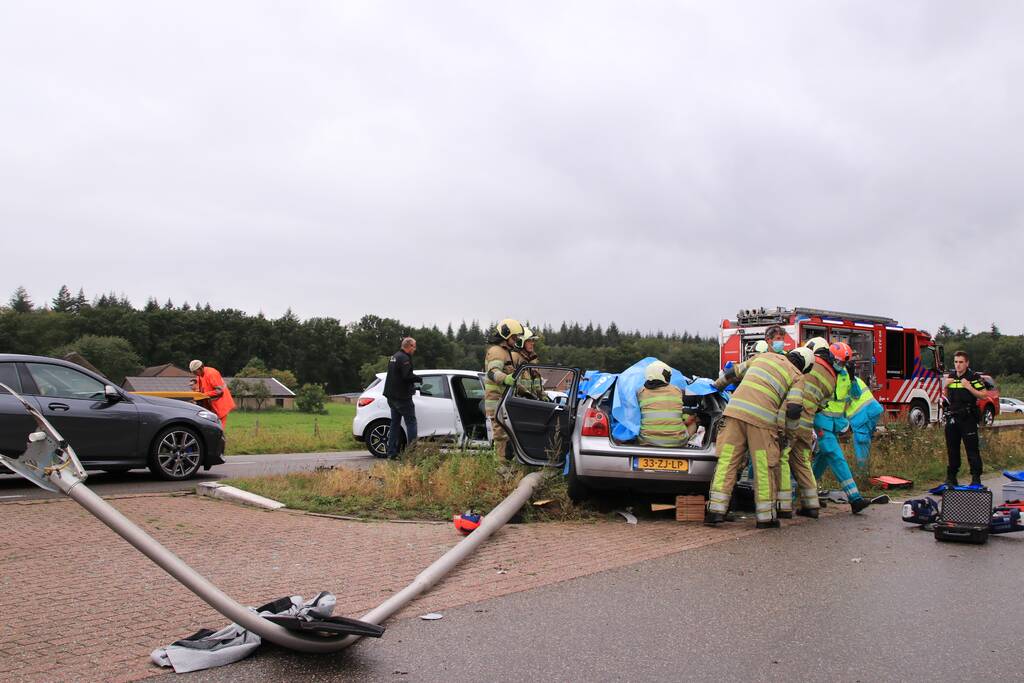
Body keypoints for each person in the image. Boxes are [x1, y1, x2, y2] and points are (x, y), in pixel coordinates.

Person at [706, 347, 813, 529]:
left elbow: (732, 373)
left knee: (727, 462)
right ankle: (765, 518)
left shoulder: (764, 357)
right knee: (763, 466)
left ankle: (715, 511)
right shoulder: (797, 376)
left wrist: (716, 386)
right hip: (761, 421)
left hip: (734, 414)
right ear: (805, 366)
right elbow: (794, 410)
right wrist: (789, 435)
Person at [811, 342, 877, 514]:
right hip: (821, 422)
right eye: (838, 362)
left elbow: (854, 395)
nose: (840, 365)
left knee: (823, 460)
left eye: (844, 363)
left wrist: (853, 378)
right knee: (836, 456)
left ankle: (802, 493)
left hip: (835, 424)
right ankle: (854, 498)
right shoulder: (823, 373)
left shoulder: (845, 374)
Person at [777, 337, 835, 519]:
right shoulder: (832, 377)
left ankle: (784, 506)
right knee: (803, 462)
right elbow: (822, 405)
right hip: (807, 424)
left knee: (783, 458)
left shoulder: (806, 363)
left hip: (791, 419)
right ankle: (811, 505)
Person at [941, 350, 988, 487]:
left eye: (961, 362)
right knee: (952, 449)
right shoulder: (951, 376)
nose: (958, 365)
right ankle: (951, 477)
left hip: (968, 417)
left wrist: (969, 387)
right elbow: (944, 394)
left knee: (972, 449)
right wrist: (945, 385)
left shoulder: (973, 377)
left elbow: (984, 395)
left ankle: (975, 477)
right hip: (952, 416)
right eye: (956, 362)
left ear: (967, 363)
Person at [483, 319, 523, 458]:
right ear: (506, 335)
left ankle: (506, 463)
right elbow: (493, 372)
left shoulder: (506, 352)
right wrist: (505, 378)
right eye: (514, 337)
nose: (516, 339)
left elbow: (510, 375)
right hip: (496, 401)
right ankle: (500, 466)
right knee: (500, 435)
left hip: (502, 400)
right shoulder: (497, 351)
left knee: (506, 434)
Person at [637, 360, 696, 448]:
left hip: (646, 441)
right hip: (677, 442)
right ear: (664, 376)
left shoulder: (640, 392)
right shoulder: (677, 391)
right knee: (693, 421)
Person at [382, 337, 423, 458]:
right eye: (414, 347)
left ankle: (391, 453)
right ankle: (411, 453)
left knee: (394, 424)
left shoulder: (394, 357)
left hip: (391, 397)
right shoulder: (404, 358)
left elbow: (396, 376)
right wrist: (418, 379)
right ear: (409, 346)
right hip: (402, 397)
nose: (415, 349)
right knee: (411, 423)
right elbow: (406, 376)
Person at [189, 360, 235, 429]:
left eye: (195, 372)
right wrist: (194, 383)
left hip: (221, 405)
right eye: (193, 373)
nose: (195, 374)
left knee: (219, 429)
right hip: (212, 406)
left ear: (201, 368)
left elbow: (219, 391)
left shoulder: (211, 373)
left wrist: (203, 395)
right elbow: (201, 386)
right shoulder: (200, 374)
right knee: (211, 429)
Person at [513, 327, 546, 400]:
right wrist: (527, 394)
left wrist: (543, 397)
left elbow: (537, 384)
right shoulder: (515, 358)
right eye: (529, 341)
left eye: (533, 340)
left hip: (531, 401)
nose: (532, 343)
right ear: (520, 342)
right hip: (519, 401)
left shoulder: (533, 360)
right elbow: (514, 383)